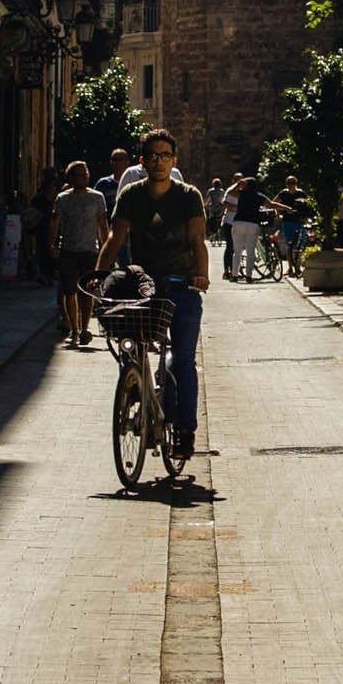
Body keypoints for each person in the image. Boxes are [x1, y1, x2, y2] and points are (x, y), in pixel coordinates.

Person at [94, 128, 210, 459]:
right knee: (129, 347)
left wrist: (201, 275)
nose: (159, 162)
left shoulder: (188, 195)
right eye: (153, 156)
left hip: (182, 286)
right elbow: (115, 239)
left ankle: (185, 431)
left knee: (183, 360)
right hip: (142, 286)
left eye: (165, 156)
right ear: (143, 162)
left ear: (174, 161)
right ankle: (134, 394)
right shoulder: (130, 195)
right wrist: (100, 278)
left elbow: (197, 241)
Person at [53, 160, 109, 347]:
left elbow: (103, 224)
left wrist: (105, 247)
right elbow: (55, 223)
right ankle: (74, 330)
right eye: (79, 175)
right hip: (68, 249)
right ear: (71, 178)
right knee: (70, 291)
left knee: (87, 291)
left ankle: (85, 329)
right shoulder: (63, 198)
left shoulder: (97, 198)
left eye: (85, 174)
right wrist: (51, 244)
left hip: (89, 251)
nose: (83, 178)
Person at [229, 174, 269, 282]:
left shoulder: (241, 194)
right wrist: (286, 208)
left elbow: (229, 192)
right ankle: (248, 276)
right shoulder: (259, 196)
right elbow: (271, 204)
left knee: (237, 251)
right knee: (250, 251)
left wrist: (237, 184)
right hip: (253, 224)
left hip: (239, 222)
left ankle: (234, 275)